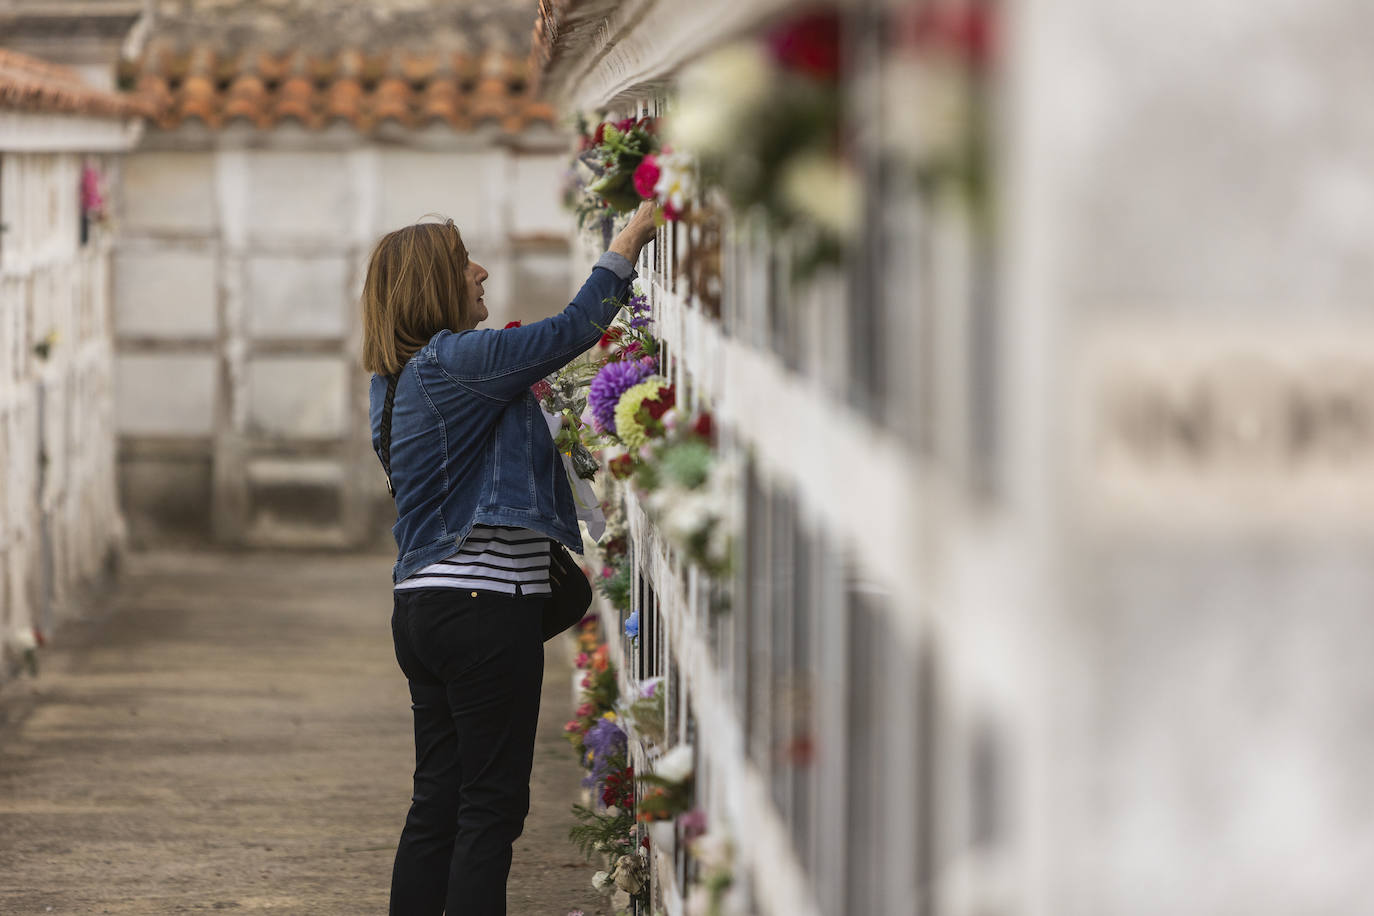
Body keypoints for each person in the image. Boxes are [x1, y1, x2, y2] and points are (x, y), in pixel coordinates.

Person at [359, 201, 659, 915]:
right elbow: (572, 332)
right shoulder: (457, 362)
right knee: (490, 810)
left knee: (438, 802)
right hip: (484, 608)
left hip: (423, 610)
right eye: (464, 261)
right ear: (434, 282)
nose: (481, 271)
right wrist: (628, 242)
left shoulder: (392, 381)